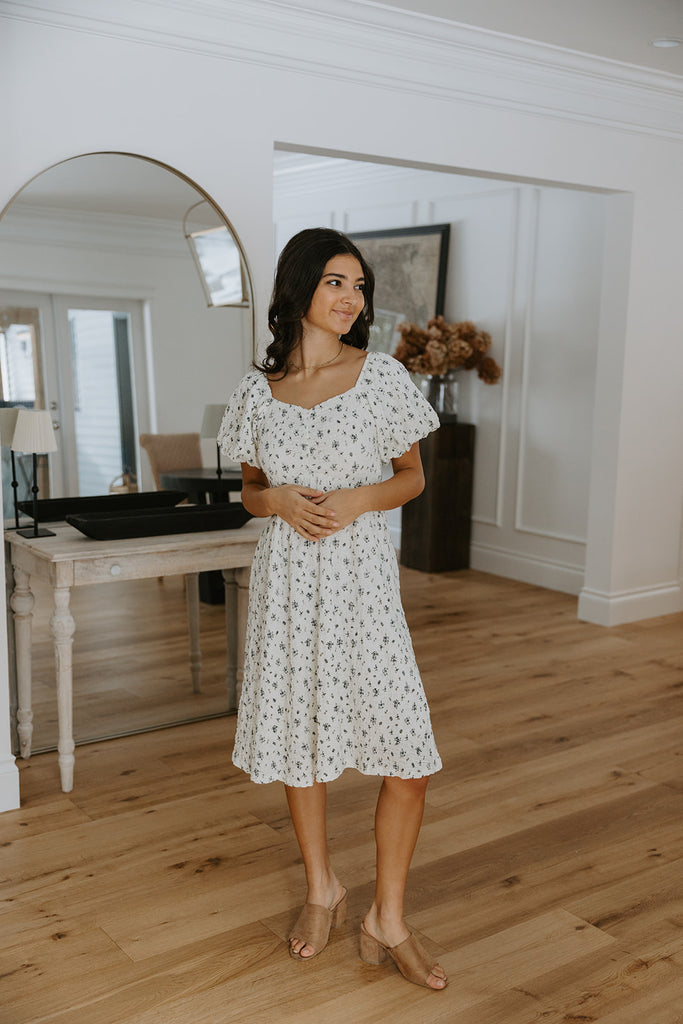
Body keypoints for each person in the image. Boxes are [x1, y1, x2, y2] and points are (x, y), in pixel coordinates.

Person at [218, 227, 447, 990]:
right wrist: (275, 499)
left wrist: (356, 499)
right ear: (300, 290)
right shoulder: (258, 391)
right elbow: (250, 493)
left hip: (361, 583)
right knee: (298, 741)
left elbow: (410, 477)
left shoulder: (378, 375)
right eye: (336, 284)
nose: (352, 300)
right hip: (287, 587)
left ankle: (389, 916)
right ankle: (323, 888)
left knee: (407, 759)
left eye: (358, 287)